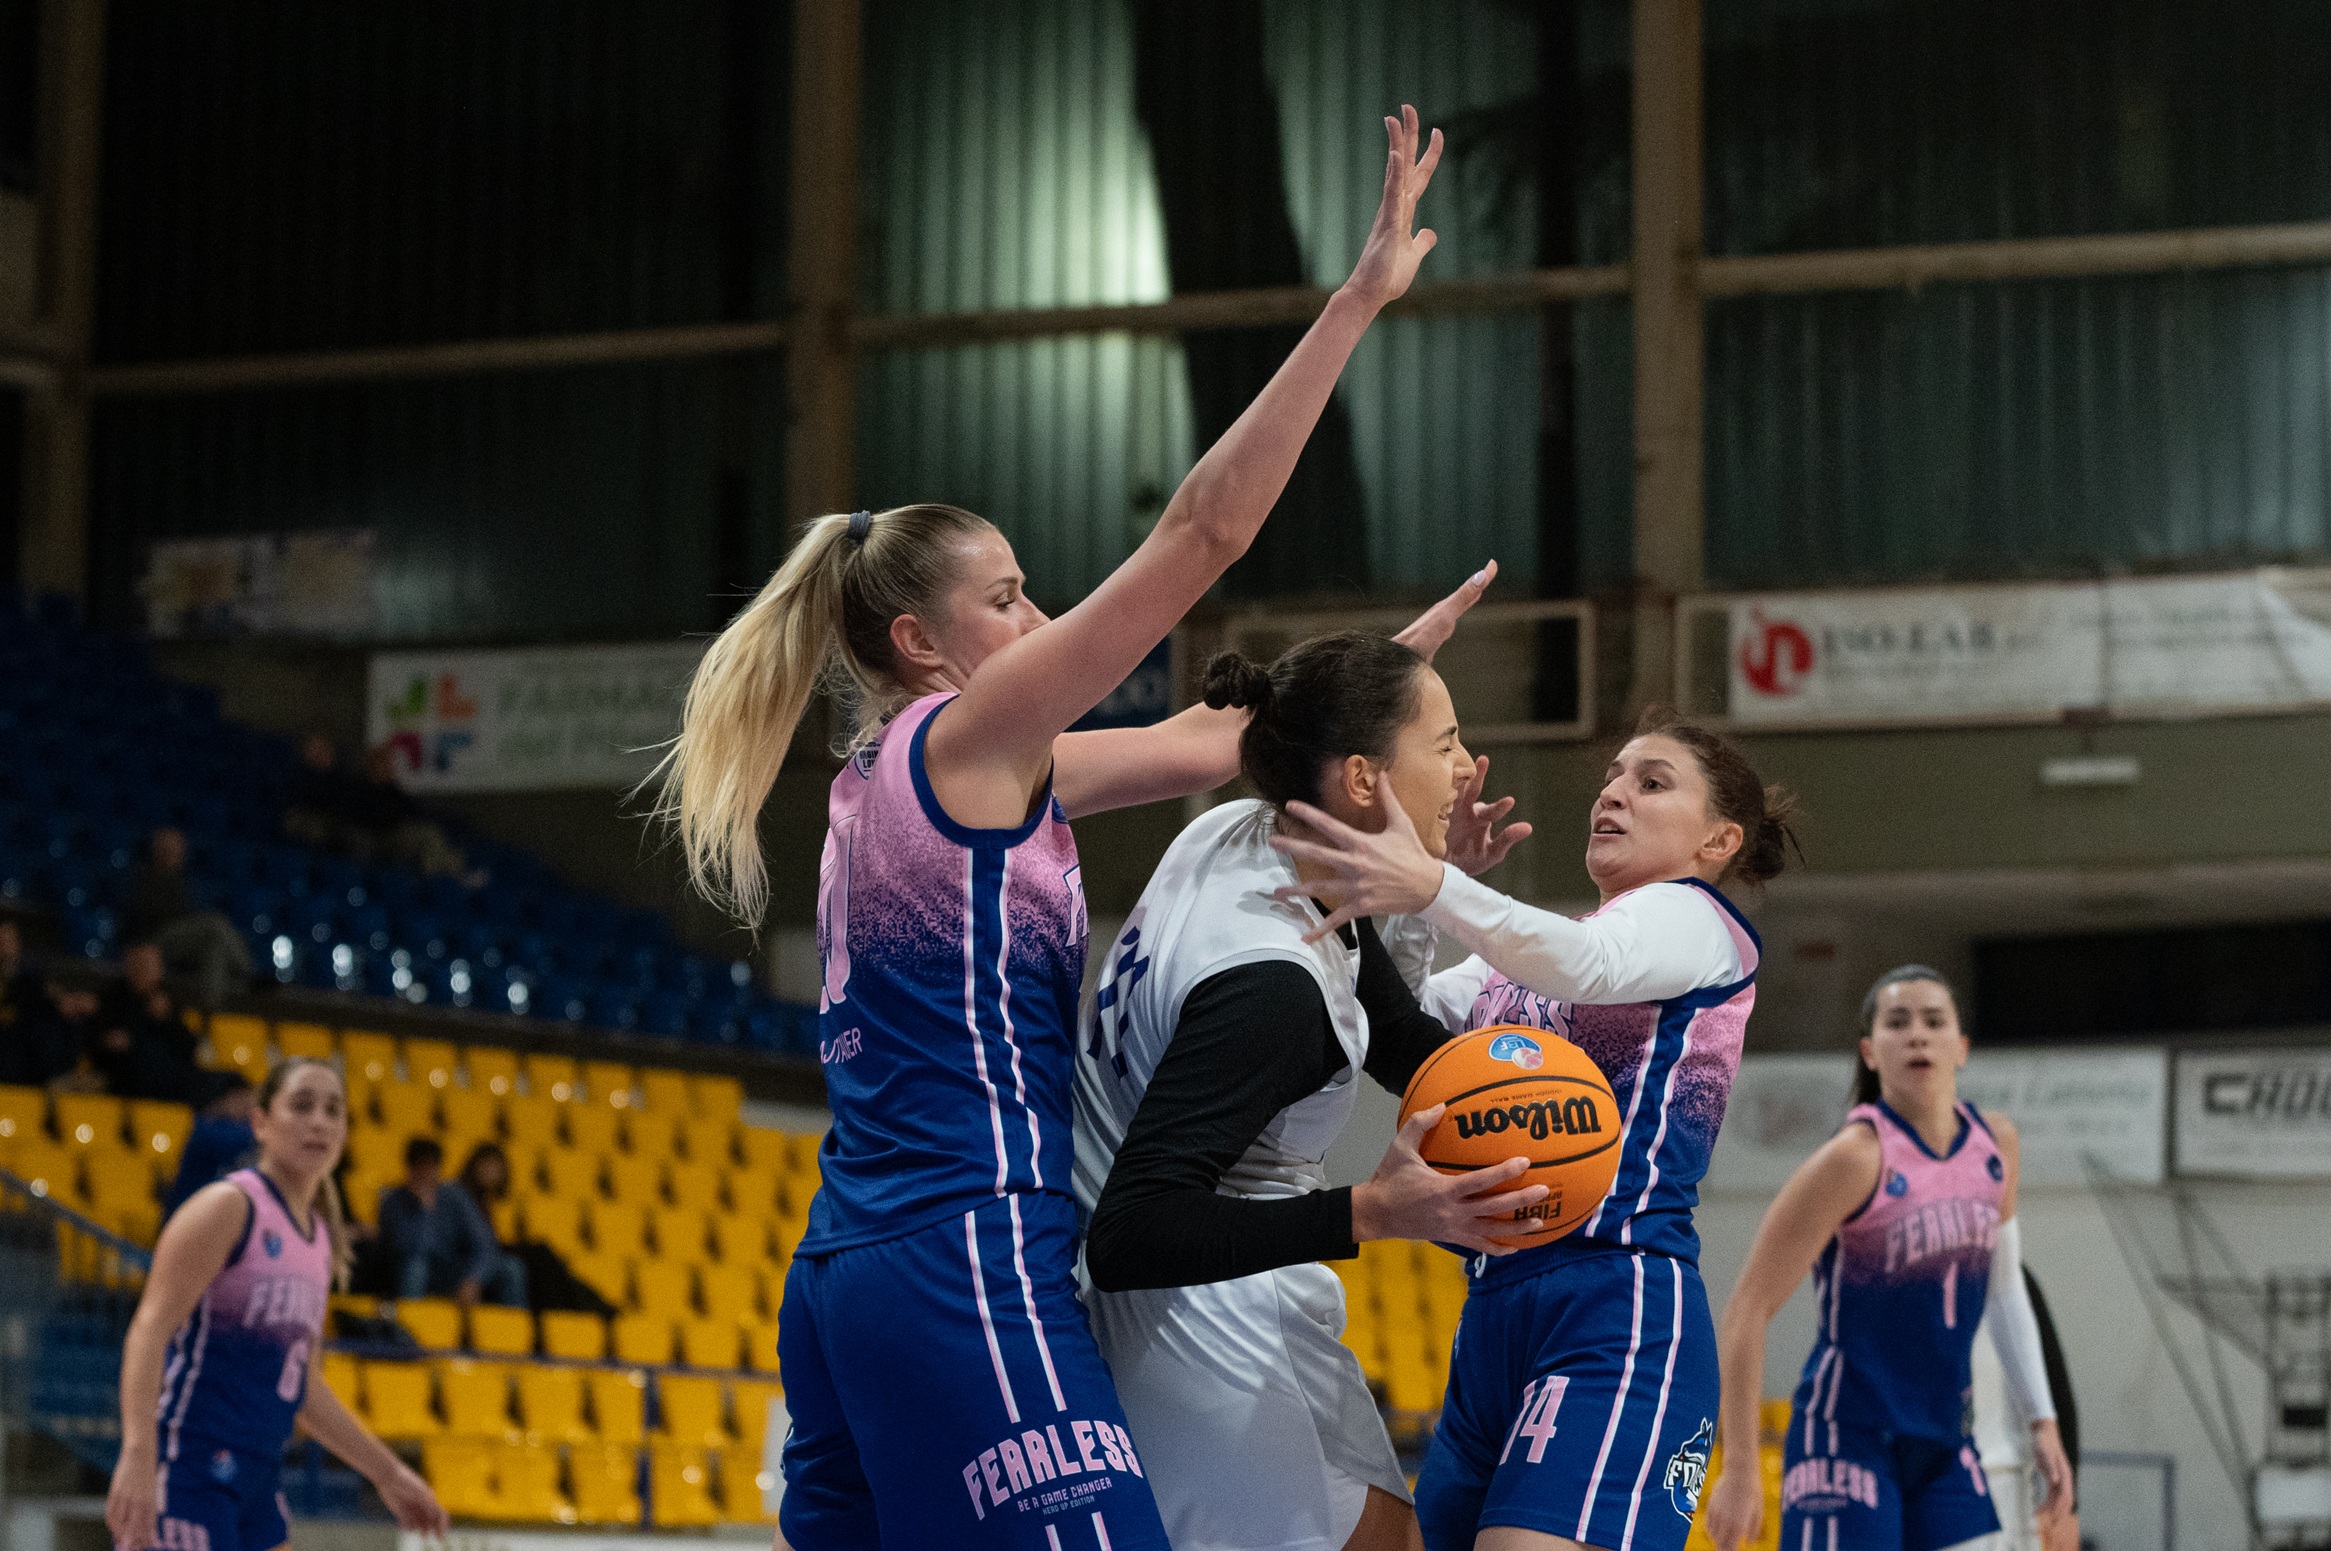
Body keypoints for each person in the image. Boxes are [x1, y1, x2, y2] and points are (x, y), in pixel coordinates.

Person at [658, 108, 1447, 1551]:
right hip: (965, 1248)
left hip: (846, 1265)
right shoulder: (970, 736)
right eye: (1007, 596)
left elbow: (1221, 746)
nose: (1034, 617)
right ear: (919, 638)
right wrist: (1350, 307)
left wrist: (1394, 693)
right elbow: (1200, 533)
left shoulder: (912, 779)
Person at [1275, 706, 1797, 1551]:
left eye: (1651, 782)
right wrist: (1427, 882)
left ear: (1717, 840)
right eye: (1612, 777)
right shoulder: (1523, 958)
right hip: (1493, 1308)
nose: (1615, 792)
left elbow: (1585, 965)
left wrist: (1438, 887)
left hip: (1614, 1299)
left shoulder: (1698, 922)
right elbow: (1393, 1020)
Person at [1073, 632, 1546, 1551]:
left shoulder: (1238, 835)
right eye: (1444, 742)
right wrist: (1371, 1210)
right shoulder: (1271, 988)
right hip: (1204, 1329)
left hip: (1163, 1306)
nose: (1461, 768)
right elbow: (1132, 1232)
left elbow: (1399, 1035)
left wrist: (1537, 1093)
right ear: (1363, 777)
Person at [1704, 968, 2074, 1551]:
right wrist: (1741, 1467)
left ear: (1961, 1048)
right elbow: (1745, 1310)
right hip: (1847, 1436)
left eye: (1934, 1021)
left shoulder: (1995, 1146)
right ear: (1870, 1052)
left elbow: (2004, 1294)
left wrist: (2043, 1420)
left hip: (1946, 1441)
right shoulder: (1853, 1159)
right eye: (1897, 1023)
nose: (1917, 1036)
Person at [105, 1059, 447, 1551]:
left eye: (334, 1111)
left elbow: (304, 1389)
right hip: (190, 1469)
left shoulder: (320, 1240)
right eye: (302, 1106)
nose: (319, 1122)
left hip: (258, 1479)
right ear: (261, 1122)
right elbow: (149, 1329)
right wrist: (138, 1452)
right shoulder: (227, 1207)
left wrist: (389, 1474)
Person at [376, 1135, 527, 1307]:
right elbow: (413, 1249)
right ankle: (407, 1323)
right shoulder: (393, 1202)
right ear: (409, 1169)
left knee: (511, 1268)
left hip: (452, 1273)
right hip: (409, 1273)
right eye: (420, 1168)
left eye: (431, 1168)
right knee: (416, 1267)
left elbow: (484, 1245)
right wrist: (424, 1211)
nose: (426, 1175)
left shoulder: (455, 1196)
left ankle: (516, 1330)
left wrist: (474, 1278)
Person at [89, 942, 240, 1108]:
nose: (151, 971)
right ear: (131, 967)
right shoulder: (113, 1000)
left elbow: (188, 1047)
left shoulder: (167, 1001)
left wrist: (166, 1020)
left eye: (154, 966)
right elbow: (103, 1044)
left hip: (173, 1074)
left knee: (232, 1079)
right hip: (137, 1079)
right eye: (143, 965)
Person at [122, 827, 254, 1007]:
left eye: (178, 847)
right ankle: (247, 973)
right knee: (216, 925)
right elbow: (143, 918)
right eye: (169, 846)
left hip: (179, 936)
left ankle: (210, 1006)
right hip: (155, 941)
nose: (175, 851)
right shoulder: (145, 877)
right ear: (158, 848)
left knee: (215, 945)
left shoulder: (182, 880)